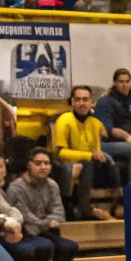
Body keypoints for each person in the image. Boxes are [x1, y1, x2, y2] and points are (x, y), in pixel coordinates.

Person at [6, 148, 78, 261]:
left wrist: (49, 222)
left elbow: (58, 211)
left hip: (42, 231)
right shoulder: (16, 187)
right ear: (29, 165)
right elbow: (23, 216)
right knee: (42, 246)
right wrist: (47, 222)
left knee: (69, 247)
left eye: (46, 163)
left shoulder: (52, 185)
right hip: (21, 232)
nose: (43, 167)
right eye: (38, 163)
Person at [52, 86, 123, 221]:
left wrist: (96, 155)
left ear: (91, 102)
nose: (82, 103)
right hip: (68, 164)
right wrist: (89, 156)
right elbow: (61, 153)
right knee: (87, 163)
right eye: (78, 100)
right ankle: (82, 209)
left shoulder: (95, 123)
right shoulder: (64, 120)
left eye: (85, 99)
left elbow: (96, 150)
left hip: (90, 165)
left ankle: (116, 204)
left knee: (109, 162)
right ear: (72, 102)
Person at [93, 71, 131, 185]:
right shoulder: (105, 102)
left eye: (127, 81)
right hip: (106, 143)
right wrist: (127, 136)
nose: (125, 85)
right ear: (114, 83)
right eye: (121, 82)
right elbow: (108, 130)